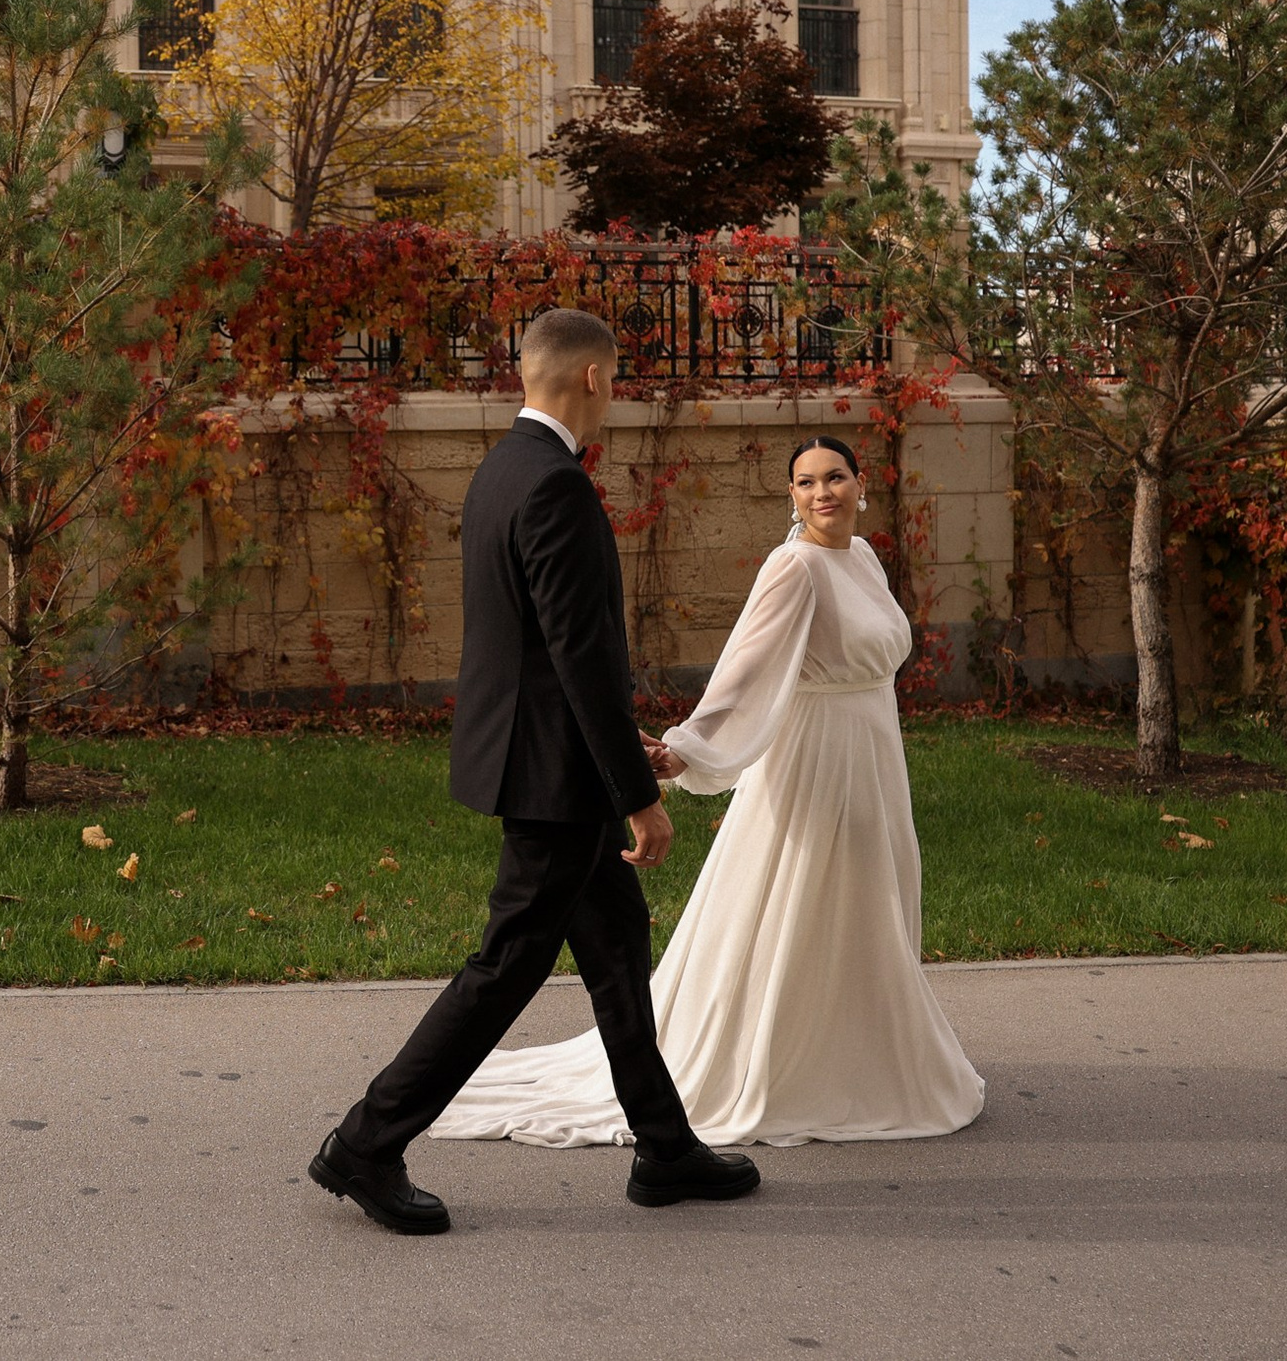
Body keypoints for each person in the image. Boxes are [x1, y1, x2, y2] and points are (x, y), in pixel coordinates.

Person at [308, 308, 760, 1235]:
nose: (615, 392)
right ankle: (366, 1142)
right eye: (615, 377)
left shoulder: (502, 468)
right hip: (554, 780)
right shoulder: (556, 484)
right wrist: (639, 798)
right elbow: (578, 658)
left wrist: (618, 749)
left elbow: (545, 654)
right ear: (592, 378)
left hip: (547, 760)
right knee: (506, 966)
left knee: (617, 953)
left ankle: (665, 1148)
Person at [428, 434, 985, 1150]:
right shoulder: (792, 567)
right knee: (813, 899)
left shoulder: (865, 559)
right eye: (806, 482)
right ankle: (785, 1061)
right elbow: (744, 672)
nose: (822, 493)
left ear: (860, 484)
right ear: (791, 497)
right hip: (816, 763)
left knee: (868, 897)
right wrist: (686, 749)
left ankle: (863, 1053)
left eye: (835, 477)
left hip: (873, 754)